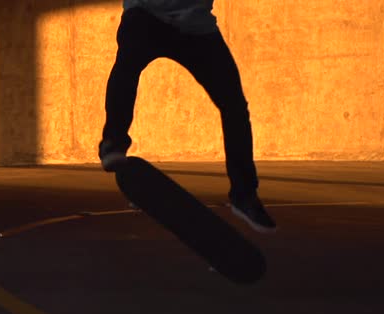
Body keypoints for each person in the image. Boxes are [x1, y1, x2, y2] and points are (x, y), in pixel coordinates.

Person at [99, 0, 277, 233]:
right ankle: (114, 141)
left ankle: (244, 195)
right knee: (128, 61)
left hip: (196, 25)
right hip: (146, 15)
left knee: (234, 106)